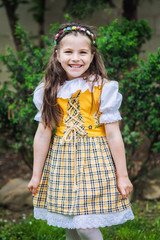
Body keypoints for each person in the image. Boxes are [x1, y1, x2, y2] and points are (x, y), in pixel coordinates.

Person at [28, 22, 134, 240]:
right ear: (57, 55)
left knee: (86, 226)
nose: (75, 58)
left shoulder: (103, 88)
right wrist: (36, 175)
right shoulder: (48, 90)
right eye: (68, 52)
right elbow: (43, 134)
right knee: (69, 224)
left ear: (92, 55)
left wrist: (122, 175)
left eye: (83, 52)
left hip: (94, 161)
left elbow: (114, 134)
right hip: (61, 161)